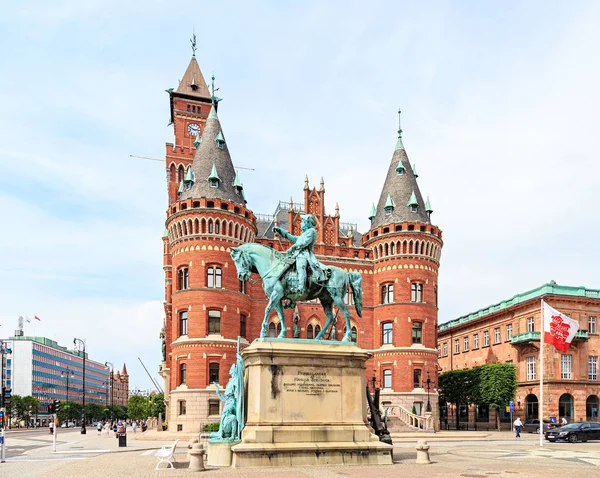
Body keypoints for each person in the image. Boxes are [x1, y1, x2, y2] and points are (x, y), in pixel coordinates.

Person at [273, 214, 329, 293]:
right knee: (284, 266)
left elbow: (304, 242)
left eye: (303, 221)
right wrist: (280, 231)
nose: (300, 223)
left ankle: (301, 287)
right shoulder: (304, 234)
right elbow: (292, 238)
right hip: (297, 254)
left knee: (301, 266)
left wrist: (292, 248)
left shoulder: (312, 231)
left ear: (307, 223)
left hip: (304, 255)